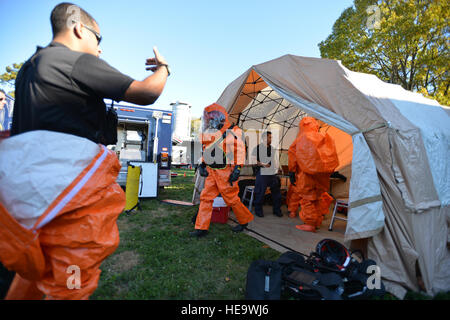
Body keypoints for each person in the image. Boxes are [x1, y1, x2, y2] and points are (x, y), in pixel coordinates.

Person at [0, 2, 169, 300]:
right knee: (72, 276)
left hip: (27, 196)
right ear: (79, 28)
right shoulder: (74, 60)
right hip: (69, 196)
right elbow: (147, 92)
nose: (100, 50)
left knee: (33, 269)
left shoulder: (30, 68)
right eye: (98, 39)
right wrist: (164, 69)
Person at [190, 103, 254, 238]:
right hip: (212, 172)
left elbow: (240, 151)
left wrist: (238, 169)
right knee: (206, 198)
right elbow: (207, 151)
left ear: (219, 117)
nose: (210, 121)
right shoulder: (209, 133)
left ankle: (244, 221)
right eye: (209, 118)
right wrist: (202, 164)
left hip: (226, 173)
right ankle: (201, 228)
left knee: (231, 199)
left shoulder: (234, 131)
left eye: (212, 118)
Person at [287, 117, 338, 233]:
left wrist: (291, 172)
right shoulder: (323, 137)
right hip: (321, 176)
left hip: (306, 175)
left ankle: (310, 223)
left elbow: (292, 156)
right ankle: (317, 221)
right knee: (317, 198)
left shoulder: (300, 139)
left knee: (307, 199)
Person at [251, 131, 282, 217]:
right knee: (260, 191)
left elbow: (273, 161)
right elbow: (253, 161)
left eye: (271, 137)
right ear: (264, 138)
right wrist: (263, 164)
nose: (270, 139)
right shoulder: (257, 148)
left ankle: (277, 210)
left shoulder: (272, 148)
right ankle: (258, 210)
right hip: (261, 172)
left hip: (271, 173)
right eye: (269, 137)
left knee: (277, 191)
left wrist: (277, 168)